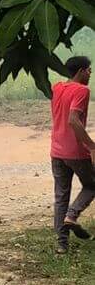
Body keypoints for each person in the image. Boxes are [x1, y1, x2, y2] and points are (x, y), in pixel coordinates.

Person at [50, 54, 95, 253]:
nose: (90, 73)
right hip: (75, 151)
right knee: (92, 185)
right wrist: (92, 146)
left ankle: (61, 245)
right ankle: (72, 215)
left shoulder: (57, 87)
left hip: (56, 151)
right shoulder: (82, 91)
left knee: (61, 195)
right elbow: (73, 120)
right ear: (80, 71)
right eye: (88, 69)